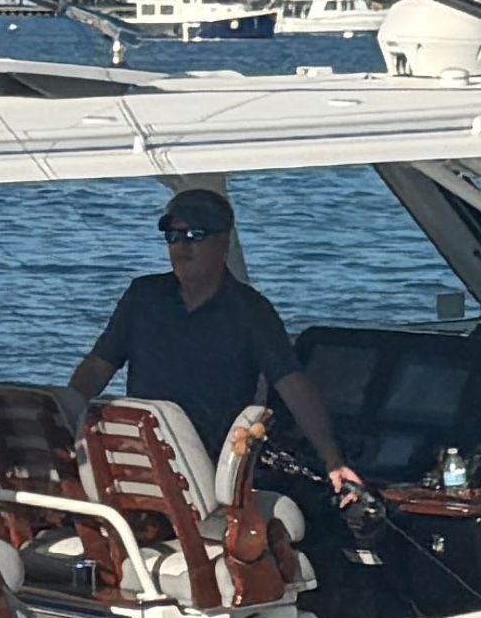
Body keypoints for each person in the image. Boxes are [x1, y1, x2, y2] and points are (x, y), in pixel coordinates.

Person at [67, 186, 365, 503]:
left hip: (207, 465)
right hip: (139, 457)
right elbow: (98, 366)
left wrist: (333, 459)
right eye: (173, 236)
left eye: (194, 235)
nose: (181, 248)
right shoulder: (142, 297)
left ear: (223, 242)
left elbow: (292, 384)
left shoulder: (250, 311)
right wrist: (66, 417)